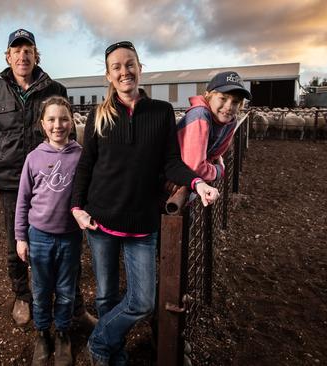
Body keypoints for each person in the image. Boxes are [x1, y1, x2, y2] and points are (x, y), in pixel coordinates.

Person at [70, 41, 220, 366]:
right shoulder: (98, 114)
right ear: (109, 75)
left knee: (142, 302)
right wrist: (77, 208)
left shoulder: (161, 111)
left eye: (129, 64)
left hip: (142, 223)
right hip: (100, 221)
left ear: (140, 67)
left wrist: (198, 182)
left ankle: (98, 343)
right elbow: (86, 165)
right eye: (116, 67)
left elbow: (171, 162)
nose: (124, 71)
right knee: (106, 295)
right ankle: (114, 352)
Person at [0, 28, 95, 329]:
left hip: (54, 179)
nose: (22, 56)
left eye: (28, 50)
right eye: (17, 50)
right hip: (12, 179)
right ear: (8, 56)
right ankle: (23, 296)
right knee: (17, 239)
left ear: (35, 55)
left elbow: (68, 132)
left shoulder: (54, 89)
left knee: (67, 239)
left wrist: (77, 174)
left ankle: (75, 305)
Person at [15, 96, 82, 366]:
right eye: (52, 120)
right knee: (41, 290)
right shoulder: (33, 158)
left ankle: (63, 334)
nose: (58, 125)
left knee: (66, 288)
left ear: (72, 121)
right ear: (43, 124)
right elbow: (22, 200)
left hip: (70, 236)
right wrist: (21, 237)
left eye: (64, 119)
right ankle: (43, 334)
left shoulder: (80, 155)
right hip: (39, 235)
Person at [177, 71, 251, 182]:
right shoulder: (200, 116)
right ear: (208, 96)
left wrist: (210, 164)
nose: (229, 106)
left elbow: (215, 155)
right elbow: (195, 168)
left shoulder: (230, 122)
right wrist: (219, 171)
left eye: (235, 102)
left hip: (188, 181)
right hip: (168, 180)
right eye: (223, 98)